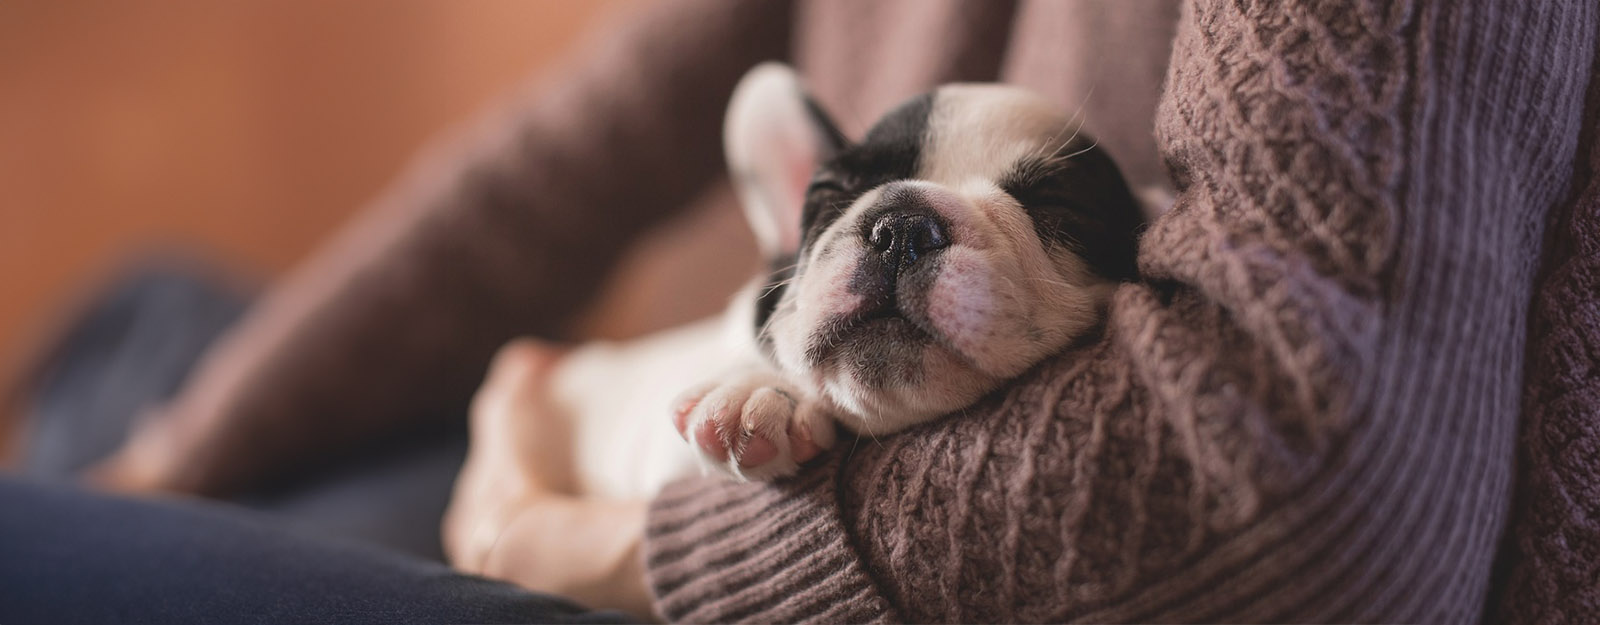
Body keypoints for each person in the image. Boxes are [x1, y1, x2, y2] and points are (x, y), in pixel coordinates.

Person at [5, 0, 1598, 623]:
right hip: (702, 467)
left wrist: (600, 549)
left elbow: (1311, 498)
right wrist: (184, 449)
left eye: (1047, 211)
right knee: (152, 330)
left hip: (883, 571)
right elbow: (536, 183)